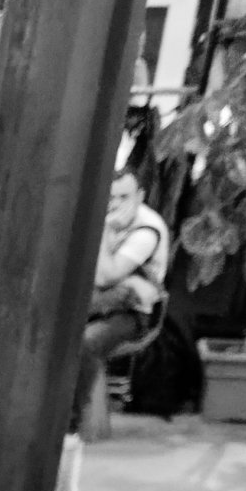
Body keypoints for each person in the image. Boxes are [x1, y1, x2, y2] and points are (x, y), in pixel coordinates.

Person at [76, 167, 170, 427]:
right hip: (95, 303)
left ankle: (68, 423)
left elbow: (106, 276)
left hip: (133, 314)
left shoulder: (147, 230)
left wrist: (105, 231)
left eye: (123, 197)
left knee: (86, 342)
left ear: (139, 196)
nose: (115, 204)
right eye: (110, 197)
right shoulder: (93, 215)